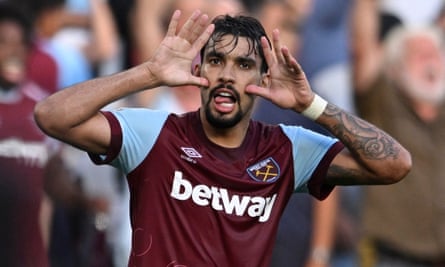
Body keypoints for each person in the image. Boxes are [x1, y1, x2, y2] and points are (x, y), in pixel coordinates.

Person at [34, 10, 412, 266]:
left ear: (264, 81)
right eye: (216, 61)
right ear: (200, 69)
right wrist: (149, 73)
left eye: (244, 65)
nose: (227, 75)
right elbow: (51, 116)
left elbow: (394, 164)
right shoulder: (154, 133)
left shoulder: (286, 149)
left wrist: (310, 104)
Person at [352, 4, 445, 266]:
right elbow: (364, 44)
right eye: (418, 54)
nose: (430, 61)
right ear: (394, 68)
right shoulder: (379, 102)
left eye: (435, 53)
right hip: (393, 256)